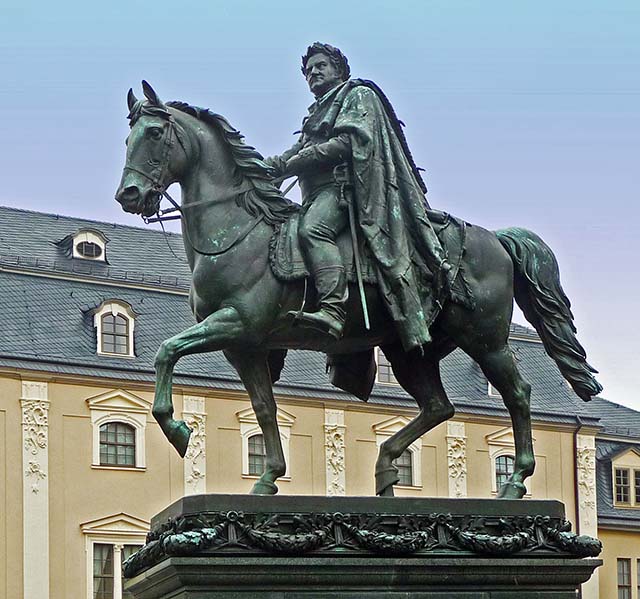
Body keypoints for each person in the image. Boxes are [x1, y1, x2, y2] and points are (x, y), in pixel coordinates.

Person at [266, 42, 452, 351]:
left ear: (338, 69)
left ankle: (333, 309)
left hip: (348, 193)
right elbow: (297, 151)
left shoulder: (357, 94)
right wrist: (269, 166)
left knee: (313, 229)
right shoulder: (318, 111)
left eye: (320, 65)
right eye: (308, 70)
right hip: (315, 193)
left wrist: (294, 162)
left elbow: (348, 143)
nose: (313, 72)